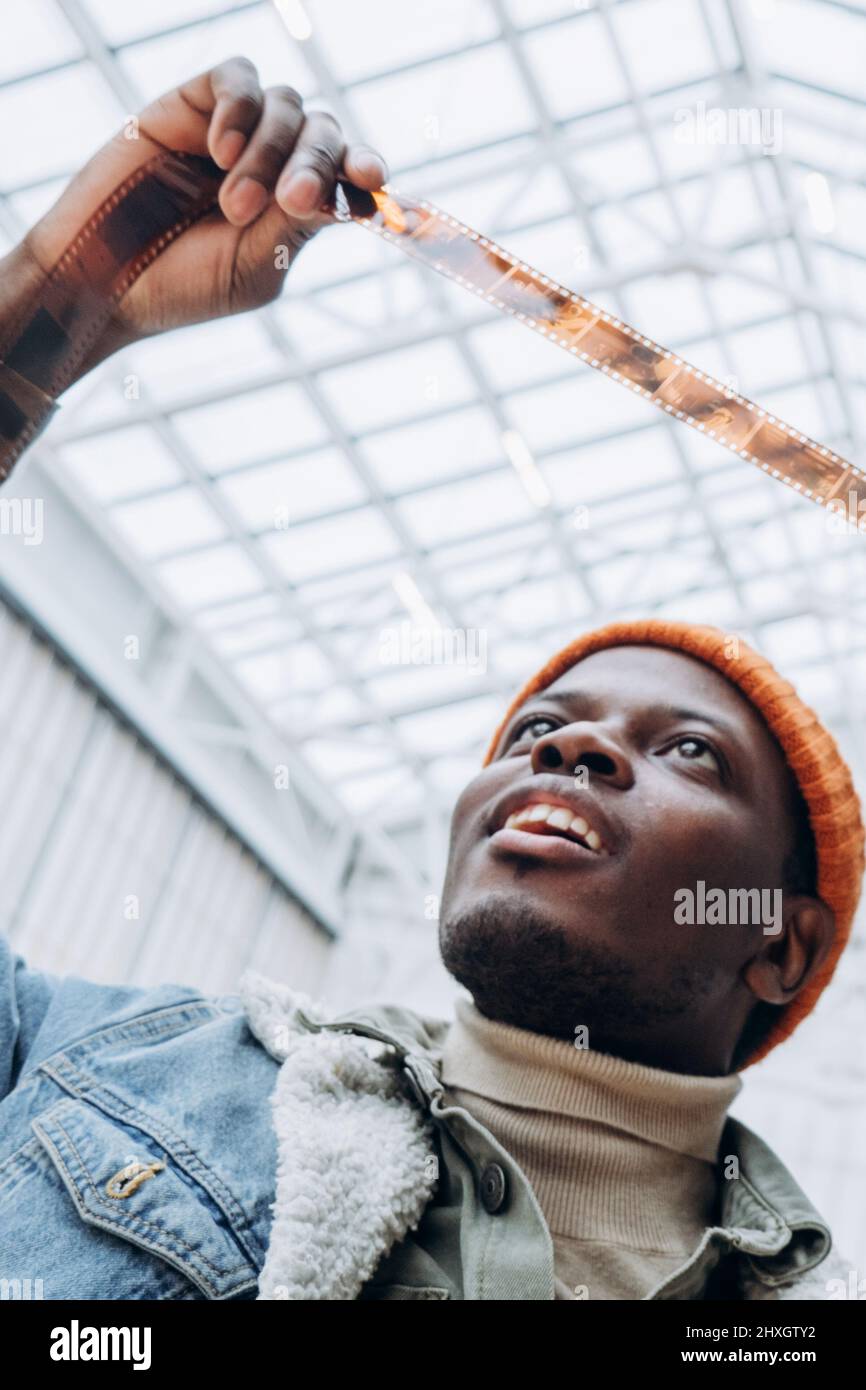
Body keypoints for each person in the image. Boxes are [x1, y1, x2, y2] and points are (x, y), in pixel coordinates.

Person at [0, 59, 862, 1302]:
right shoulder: (100, 1070)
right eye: (536, 729)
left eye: (688, 753)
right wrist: (53, 313)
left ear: (778, 946)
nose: (565, 753)